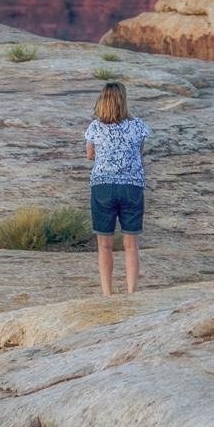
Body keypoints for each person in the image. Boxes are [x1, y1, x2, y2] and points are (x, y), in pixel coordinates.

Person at [84, 82, 148, 295]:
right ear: (123, 100)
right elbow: (140, 151)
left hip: (103, 186)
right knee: (131, 244)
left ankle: (107, 294)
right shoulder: (137, 125)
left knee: (104, 245)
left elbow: (90, 155)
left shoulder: (94, 127)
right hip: (132, 186)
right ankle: (131, 292)